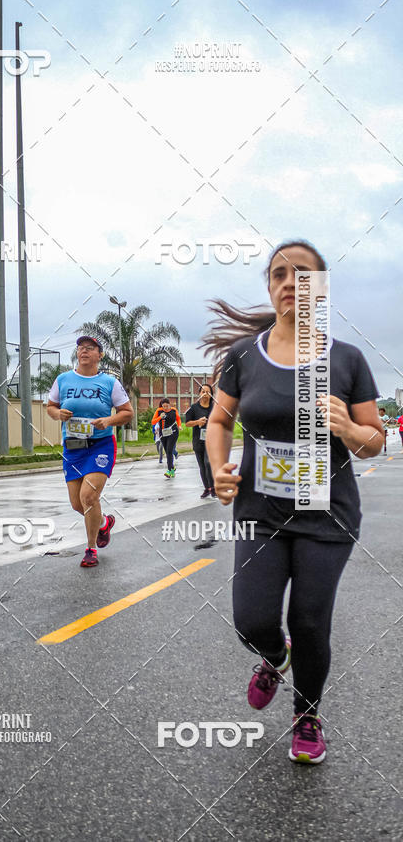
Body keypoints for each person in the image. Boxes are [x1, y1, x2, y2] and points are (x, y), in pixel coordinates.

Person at [204, 239, 383, 765]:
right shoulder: (244, 357)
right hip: (260, 514)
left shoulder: (347, 360)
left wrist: (350, 427)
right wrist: (219, 468)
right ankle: (273, 657)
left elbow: (376, 439)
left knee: (310, 621)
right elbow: (218, 421)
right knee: (252, 620)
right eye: (279, 274)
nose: (289, 282)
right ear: (269, 286)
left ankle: (307, 716)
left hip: (328, 518)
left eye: (302, 274)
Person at [47, 336, 133, 568]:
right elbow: (50, 407)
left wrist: (109, 420)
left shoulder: (109, 383)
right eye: (80, 348)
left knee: (89, 496)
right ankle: (104, 523)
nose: (84, 351)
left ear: (99, 355)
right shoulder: (63, 380)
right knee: (77, 504)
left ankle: (90, 549)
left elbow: (127, 412)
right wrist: (57, 414)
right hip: (73, 448)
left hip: (100, 446)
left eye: (90, 348)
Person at [185, 384, 216, 498]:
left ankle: (213, 488)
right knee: (202, 466)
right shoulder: (194, 408)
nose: (205, 394)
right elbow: (187, 423)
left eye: (208, 392)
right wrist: (197, 422)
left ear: (211, 394)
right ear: (199, 394)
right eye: (203, 391)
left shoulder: (215, 407)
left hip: (211, 441)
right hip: (198, 441)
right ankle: (207, 488)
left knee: (208, 463)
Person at [152, 398, 181, 478]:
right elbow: (153, 422)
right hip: (163, 434)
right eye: (163, 406)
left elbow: (178, 419)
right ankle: (172, 468)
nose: (165, 408)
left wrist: (179, 425)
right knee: (167, 451)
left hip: (173, 432)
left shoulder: (174, 410)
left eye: (167, 406)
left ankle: (169, 471)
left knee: (169, 450)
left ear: (169, 404)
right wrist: (160, 417)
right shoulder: (159, 411)